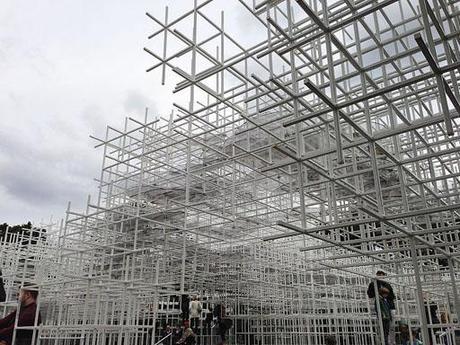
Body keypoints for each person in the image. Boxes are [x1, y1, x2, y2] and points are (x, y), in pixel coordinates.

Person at [367, 271, 396, 345]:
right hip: (381, 307)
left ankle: (390, 342)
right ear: (376, 275)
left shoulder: (387, 284)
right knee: (382, 326)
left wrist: (384, 294)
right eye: (378, 275)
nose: (380, 277)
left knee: (391, 326)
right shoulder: (373, 284)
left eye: (382, 276)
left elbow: (392, 296)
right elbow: (370, 294)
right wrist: (378, 293)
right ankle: (383, 342)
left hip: (389, 307)